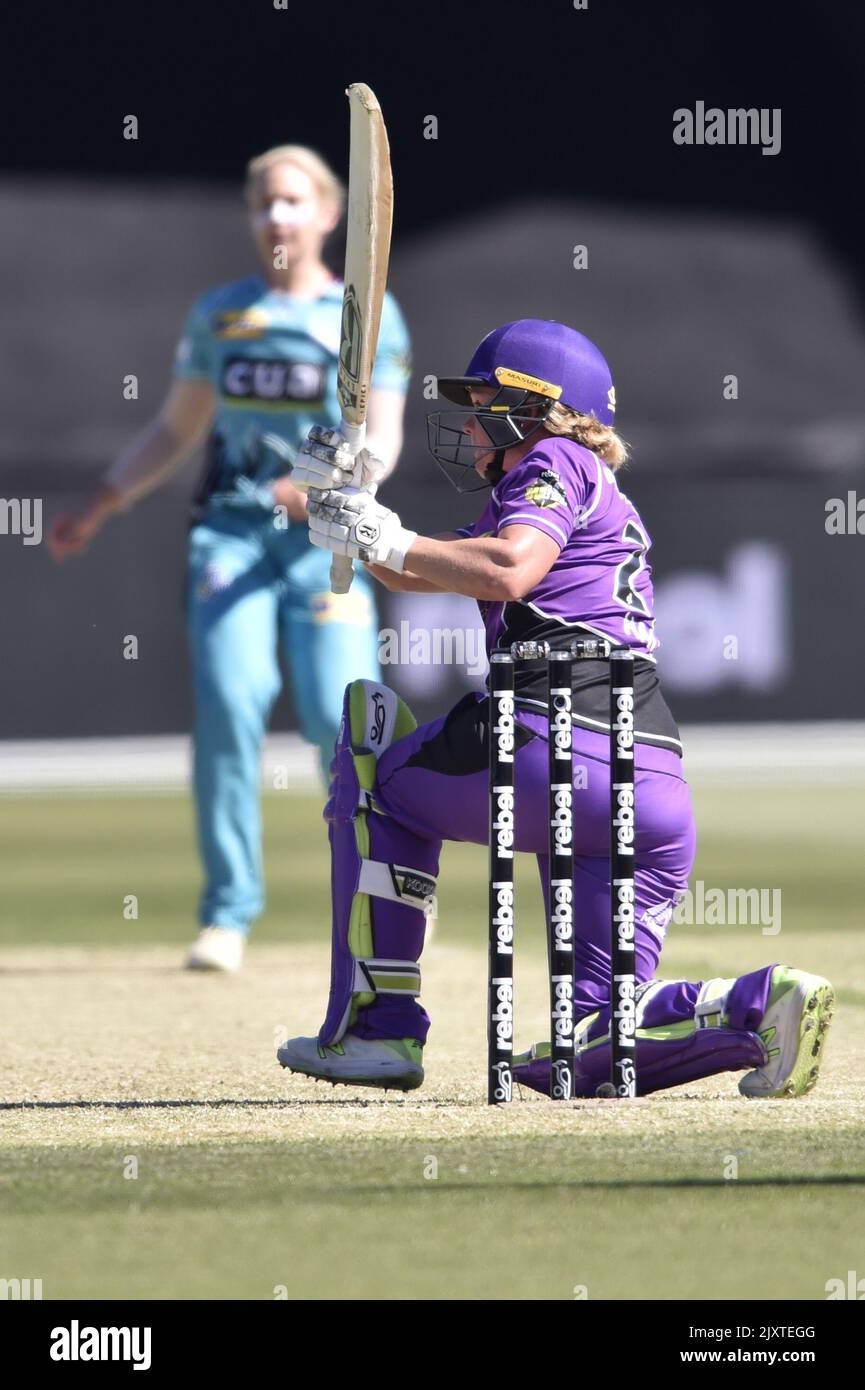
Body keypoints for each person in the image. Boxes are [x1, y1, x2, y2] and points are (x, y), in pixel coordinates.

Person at [276, 317, 834, 1098]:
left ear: (532, 407)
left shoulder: (551, 459)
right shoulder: (587, 485)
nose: (468, 423)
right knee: (587, 1053)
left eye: (481, 402)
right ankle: (756, 1004)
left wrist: (387, 540)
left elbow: (507, 570)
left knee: (375, 775)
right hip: (652, 784)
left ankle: (377, 1031)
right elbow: (425, 569)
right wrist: (343, 512)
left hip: (554, 744)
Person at [49, 144, 410, 973]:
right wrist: (104, 500)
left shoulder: (368, 315)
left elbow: (380, 439)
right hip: (230, 535)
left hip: (326, 542)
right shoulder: (222, 312)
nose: (276, 217)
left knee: (344, 722)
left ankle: (374, 906)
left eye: (291, 202)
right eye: (262, 204)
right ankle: (227, 913)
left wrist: (335, 485)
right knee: (229, 706)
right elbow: (176, 428)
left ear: (327, 214)